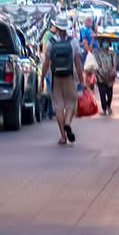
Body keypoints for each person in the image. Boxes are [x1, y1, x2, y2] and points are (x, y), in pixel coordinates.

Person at [44, 14, 86, 145]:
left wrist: (42, 78)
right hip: (70, 76)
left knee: (58, 106)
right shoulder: (73, 42)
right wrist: (82, 80)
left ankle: (63, 136)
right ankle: (67, 122)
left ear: (56, 27)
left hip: (55, 76)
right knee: (71, 103)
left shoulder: (50, 42)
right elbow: (78, 63)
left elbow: (46, 62)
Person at [95, 38, 117, 116]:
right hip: (100, 76)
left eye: (107, 42)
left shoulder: (112, 53)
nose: (105, 44)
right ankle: (104, 109)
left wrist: (113, 70)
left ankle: (108, 106)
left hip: (110, 76)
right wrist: (100, 72)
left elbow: (115, 63)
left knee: (110, 93)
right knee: (102, 93)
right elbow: (96, 64)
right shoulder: (97, 53)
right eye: (104, 42)